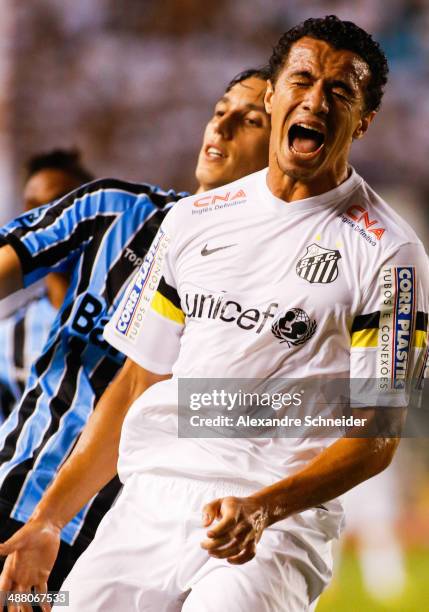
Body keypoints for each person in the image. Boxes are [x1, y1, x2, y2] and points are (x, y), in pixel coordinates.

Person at [23, 15, 427, 611]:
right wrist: (49, 521)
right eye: (302, 79)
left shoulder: (390, 252)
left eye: (340, 91)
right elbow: (137, 380)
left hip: (276, 525)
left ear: (363, 120)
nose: (316, 99)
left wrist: (265, 508)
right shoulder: (193, 220)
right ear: (273, 93)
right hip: (150, 504)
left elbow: (379, 433)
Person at [0, 67, 271, 595]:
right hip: (13, 490)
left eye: (251, 119)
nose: (222, 127)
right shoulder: (114, 209)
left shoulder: (273, 285)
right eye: (220, 112)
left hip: (118, 545)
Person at [0, 150, 94, 422]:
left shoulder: (149, 310)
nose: (44, 222)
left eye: (58, 205)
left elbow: (213, 419)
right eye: (33, 209)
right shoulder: (8, 339)